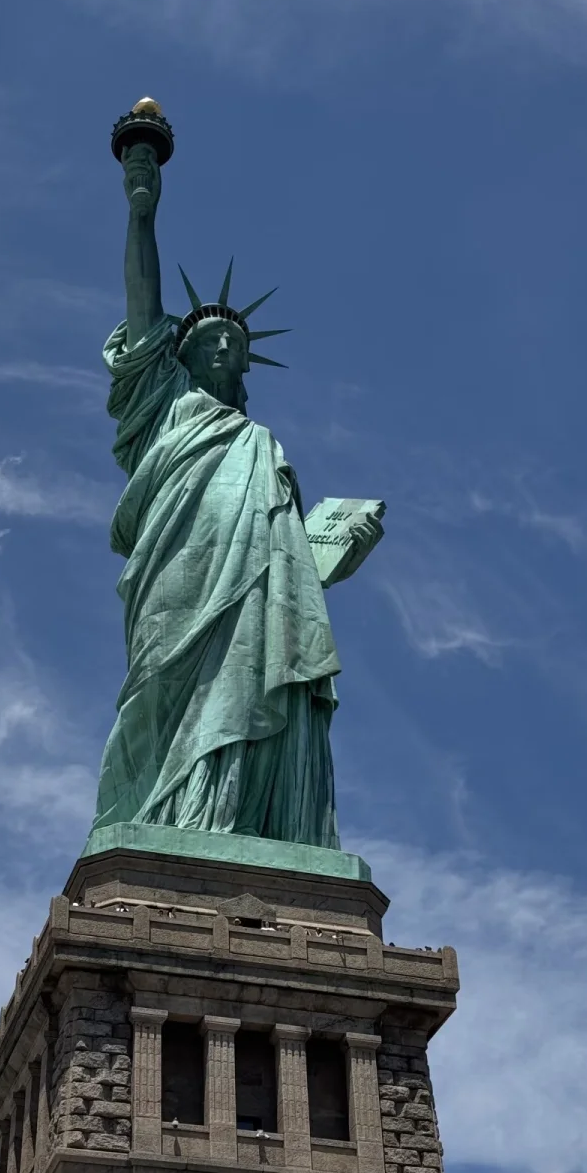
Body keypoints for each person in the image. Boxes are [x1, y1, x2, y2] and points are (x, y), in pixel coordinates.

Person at [89, 139, 383, 848]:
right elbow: (142, 304)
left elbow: (288, 563)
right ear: (177, 357)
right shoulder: (162, 405)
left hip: (255, 596)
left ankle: (236, 825)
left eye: (236, 346)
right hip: (178, 575)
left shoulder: (262, 445)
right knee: (160, 687)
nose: (224, 349)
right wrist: (141, 216)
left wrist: (330, 550)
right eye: (210, 340)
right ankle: (162, 823)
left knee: (254, 682)